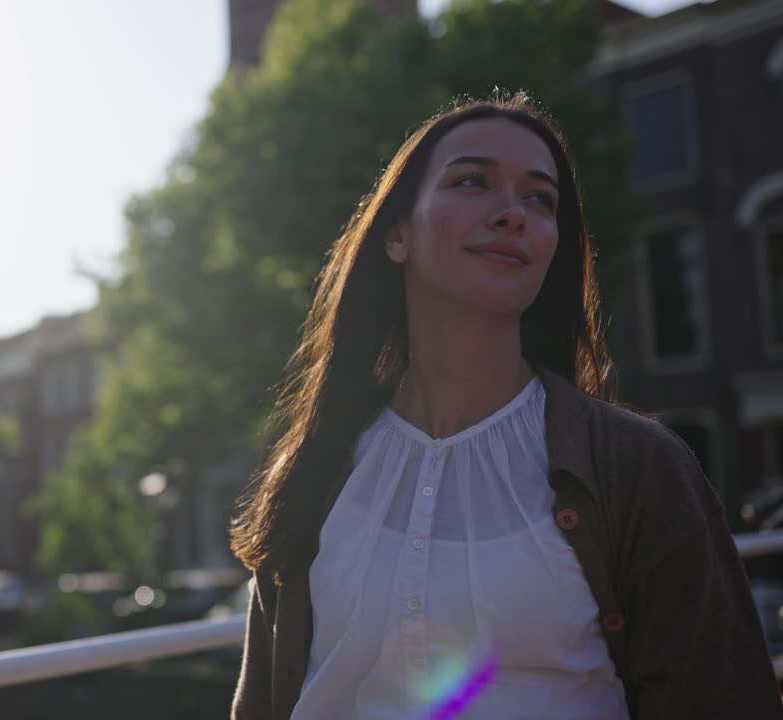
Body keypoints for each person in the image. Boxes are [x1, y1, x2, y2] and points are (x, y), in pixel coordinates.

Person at [228, 94, 783, 719]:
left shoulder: (639, 469)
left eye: (540, 199)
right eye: (472, 182)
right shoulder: (318, 461)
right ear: (397, 235)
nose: (513, 214)